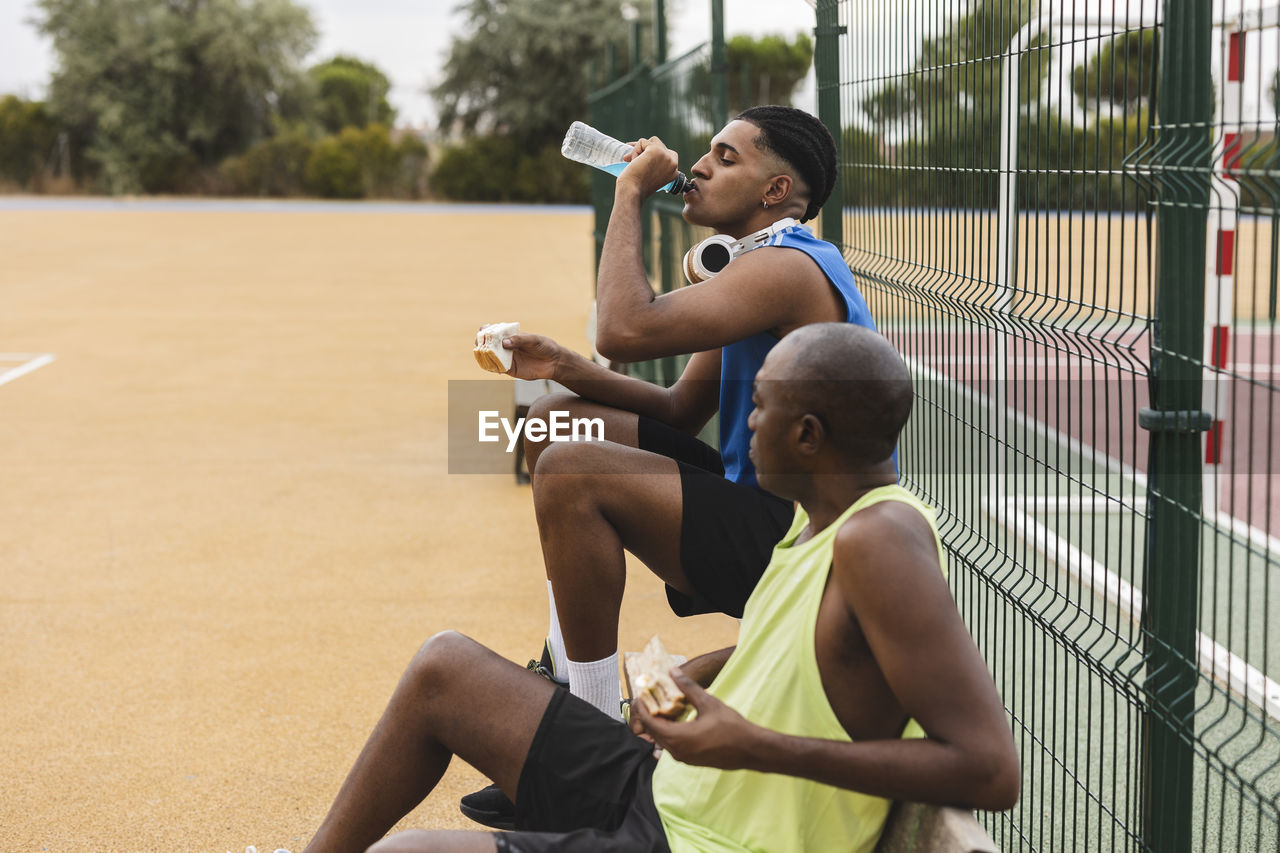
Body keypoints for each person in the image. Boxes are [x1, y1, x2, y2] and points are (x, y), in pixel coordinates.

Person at [299, 324, 1020, 853]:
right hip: (672, 788)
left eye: (759, 406)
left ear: (806, 436)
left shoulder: (880, 539)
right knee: (444, 667)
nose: (745, 423)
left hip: (711, 841)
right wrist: (704, 668)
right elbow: (829, 652)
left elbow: (990, 768)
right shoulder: (819, 520)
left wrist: (753, 744)